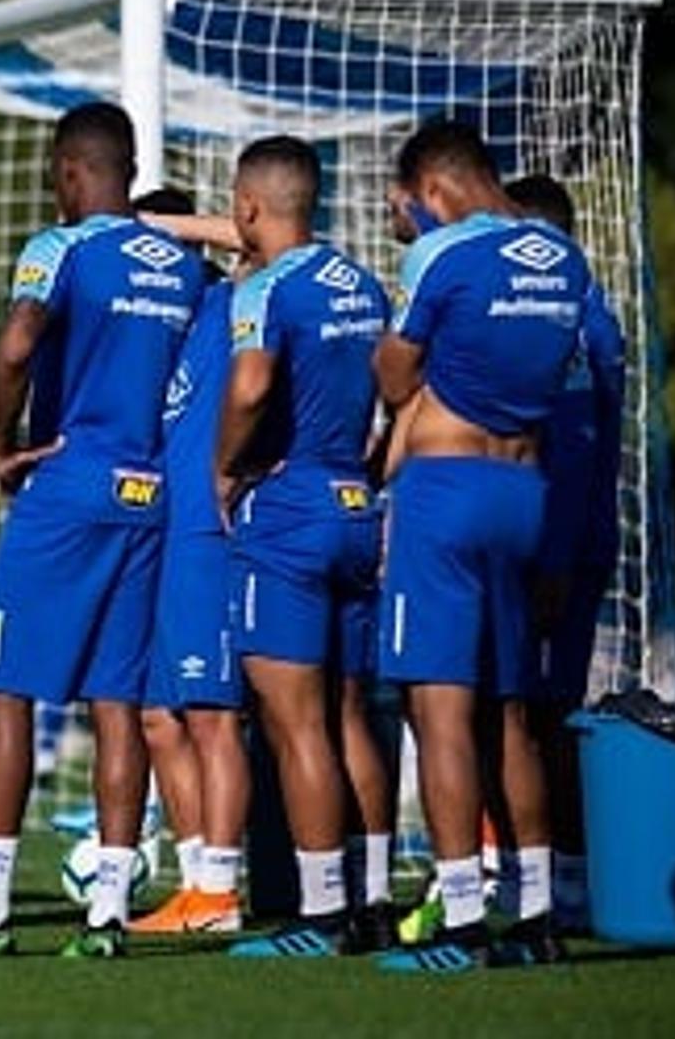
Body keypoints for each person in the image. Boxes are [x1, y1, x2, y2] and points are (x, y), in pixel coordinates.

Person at [0, 102, 202, 961]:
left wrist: (2, 443)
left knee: (3, 692)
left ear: (69, 170)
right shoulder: (181, 263)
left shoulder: (58, 249)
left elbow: (17, 346)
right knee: (117, 706)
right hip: (149, 491)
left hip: (68, 482)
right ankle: (106, 915)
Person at [372, 120, 590, 973]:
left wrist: (413, 385)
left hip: (448, 490)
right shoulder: (565, 259)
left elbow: (394, 377)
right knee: (510, 715)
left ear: (433, 190)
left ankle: (461, 921)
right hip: (525, 493)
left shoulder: (442, 254)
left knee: (441, 715)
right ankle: (535, 918)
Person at [197, 137, 395, 958]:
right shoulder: (364, 281)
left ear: (247, 207)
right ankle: (375, 899)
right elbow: (394, 398)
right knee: (351, 715)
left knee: (294, 724)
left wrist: (224, 467)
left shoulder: (265, 289)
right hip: (357, 506)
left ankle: (319, 916)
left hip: (290, 515)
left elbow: (248, 386)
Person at [505, 173, 624, 933]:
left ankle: (556, 883)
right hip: (573, 532)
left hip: (559, 538)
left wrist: (550, 557)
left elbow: (577, 447)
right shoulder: (593, 314)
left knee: (537, 714)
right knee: (536, 711)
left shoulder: (569, 319)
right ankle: (549, 877)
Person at [130, 192, 251, 938]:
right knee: (155, 718)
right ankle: (194, 882)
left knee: (211, 716)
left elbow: (266, 231)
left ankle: (220, 893)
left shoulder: (223, 302)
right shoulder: (139, 326)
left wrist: (170, 230)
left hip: (207, 534)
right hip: (149, 536)